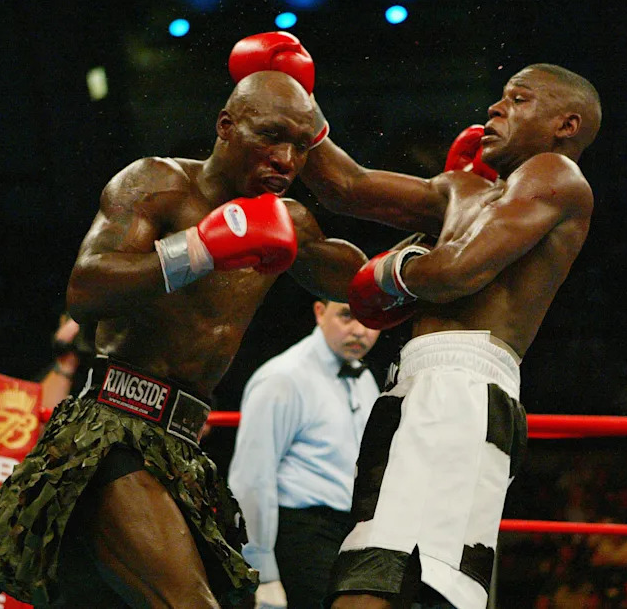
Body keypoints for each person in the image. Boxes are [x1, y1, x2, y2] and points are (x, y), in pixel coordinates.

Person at [0, 67, 370, 608]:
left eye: (298, 144)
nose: (286, 161)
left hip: (183, 447)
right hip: (112, 433)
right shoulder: (159, 185)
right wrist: (201, 248)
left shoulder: (287, 221)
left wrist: (437, 238)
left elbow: (365, 289)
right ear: (226, 126)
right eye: (269, 136)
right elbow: (85, 290)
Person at [227, 32, 601, 608]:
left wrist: (393, 267)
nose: (495, 109)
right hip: (415, 387)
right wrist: (298, 101)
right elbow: (347, 188)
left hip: (460, 390)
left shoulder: (556, 174)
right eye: (499, 98)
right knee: (394, 584)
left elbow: (454, 274)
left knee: (376, 589)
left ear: (566, 125)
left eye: (519, 99)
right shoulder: (466, 191)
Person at [229, 300, 381, 608]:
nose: (359, 330)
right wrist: (261, 571)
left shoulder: (364, 378)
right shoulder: (282, 378)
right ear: (319, 312)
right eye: (347, 316)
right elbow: (251, 479)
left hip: (353, 535)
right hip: (302, 534)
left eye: (370, 319)